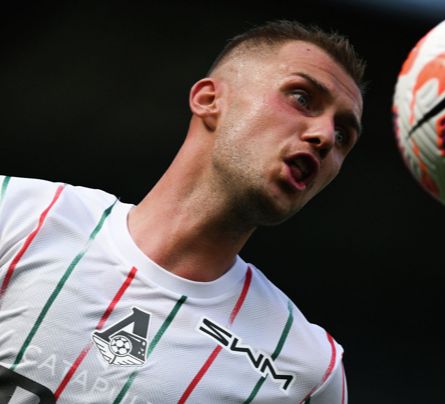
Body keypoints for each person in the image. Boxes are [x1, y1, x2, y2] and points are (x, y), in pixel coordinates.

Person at [0, 19, 364, 403]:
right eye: (302, 98)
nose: (325, 137)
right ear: (208, 100)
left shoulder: (307, 372)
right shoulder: (16, 213)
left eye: (343, 135)